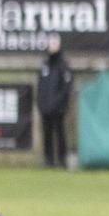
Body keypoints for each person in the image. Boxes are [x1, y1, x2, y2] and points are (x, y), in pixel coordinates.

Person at [36, 36, 73, 168]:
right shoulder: (45, 66)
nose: (51, 47)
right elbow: (40, 87)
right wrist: (41, 103)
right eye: (50, 44)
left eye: (54, 44)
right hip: (45, 108)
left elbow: (66, 87)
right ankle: (48, 161)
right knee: (47, 134)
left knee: (60, 133)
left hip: (59, 108)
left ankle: (62, 160)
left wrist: (57, 103)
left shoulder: (63, 66)